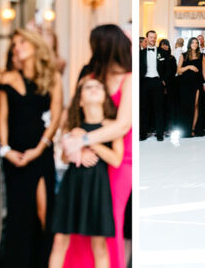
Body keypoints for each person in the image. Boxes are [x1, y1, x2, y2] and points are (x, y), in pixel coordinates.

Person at [62, 24, 131, 268]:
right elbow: (70, 117)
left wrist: (83, 141)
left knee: (109, 219)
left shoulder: (128, 79)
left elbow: (122, 125)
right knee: (82, 225)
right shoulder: (91, 79)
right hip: (88, 156)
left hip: (121, 158)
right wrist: (77, 146)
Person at [0, 29, 62, 268]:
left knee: (45, 212)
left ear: (35, 46)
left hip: (41, 151)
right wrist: (6, 150)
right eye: (14, 44)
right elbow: (2, 118)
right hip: (13, 154)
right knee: (18, 214)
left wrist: (40, 148)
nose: (17, 47)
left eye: (22, 42)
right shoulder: (6, 77)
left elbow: (55, 118)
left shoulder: (52, 77)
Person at [49, 78, 122, 268]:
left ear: (105, 97)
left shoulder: (112, 125)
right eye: (88, 87)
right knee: (59, 240)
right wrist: (77, 150)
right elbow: (64, 158)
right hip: (73, 184)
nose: (94, 89)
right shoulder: (74, 127)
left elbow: (116, 159)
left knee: (99, 244)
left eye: (98, 86)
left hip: (98, 186)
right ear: (80, 100)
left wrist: (87, 141)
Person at [139, 31, 172, 141]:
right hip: (145, 82)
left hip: (158, 82)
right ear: (147, 38)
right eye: (151, 37)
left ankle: (159, 134)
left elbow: (168, 68)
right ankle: (142, 134)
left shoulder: (163, 52)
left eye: (154, 37)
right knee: (144, 109)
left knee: (159, 109)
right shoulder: (140, 53)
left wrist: (164, 81)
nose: (153, 39)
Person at [177, 38, 205, 137]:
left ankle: (193, 128)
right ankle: (186, 128)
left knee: (196, 104)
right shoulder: (184, 55)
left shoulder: (202, 56)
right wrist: (189, 67)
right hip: (185, 83)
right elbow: (179, 70)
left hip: (197, 82)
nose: (195, 44)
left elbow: (204, 71)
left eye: (196, 43)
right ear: (189, 44)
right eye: (193, 42)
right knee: (186, 106)